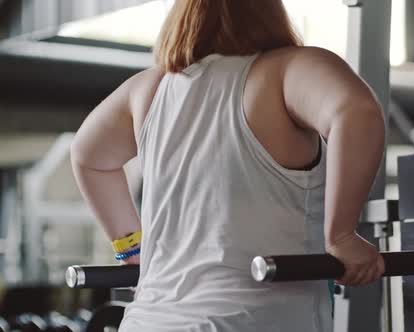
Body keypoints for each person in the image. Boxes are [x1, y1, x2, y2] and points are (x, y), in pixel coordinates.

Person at [71, 0, 385, 331]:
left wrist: (133, 249)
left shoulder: (148, 89)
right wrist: (341, 236)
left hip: (147, 322)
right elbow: (357, 112)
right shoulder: (286, 70)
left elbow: (88, 157)